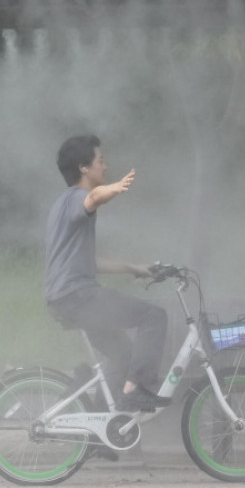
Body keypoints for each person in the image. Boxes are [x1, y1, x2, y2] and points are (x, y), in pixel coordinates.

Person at [44, 134, 170, 412]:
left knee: (125, 358)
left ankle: (98, 431)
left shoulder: (62, 205)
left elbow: (87, 261)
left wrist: (133, 268)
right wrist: (115, 188)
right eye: (100, 160)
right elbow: (93, 198)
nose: (105, 165)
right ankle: (136, 391)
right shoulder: (77, 199)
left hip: (67, 297)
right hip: (78, 296)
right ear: (83, 168)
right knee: (154, 317)